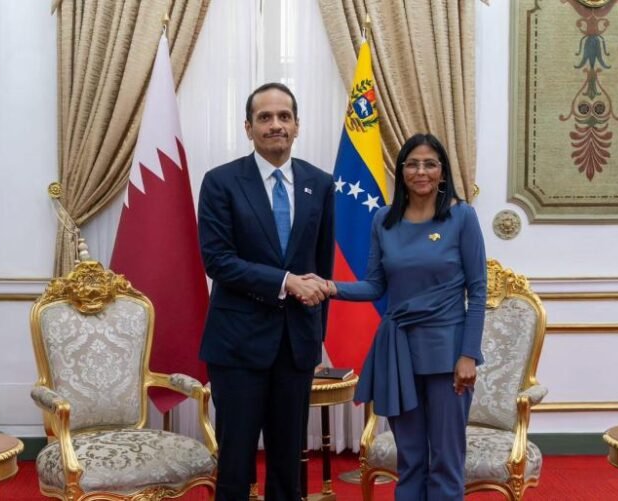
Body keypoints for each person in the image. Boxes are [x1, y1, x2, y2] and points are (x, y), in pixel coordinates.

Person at [325, 133, 487, 500]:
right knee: (410, 459)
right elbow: (374, 285)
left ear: (442, 172)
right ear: (400, 171)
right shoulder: (384, 219)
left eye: (430, 164)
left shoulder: (462, 217)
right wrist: (330, 287)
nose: (421, 171)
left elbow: (478, 292)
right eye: (412, 164)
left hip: (448, 355)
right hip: (398, 353)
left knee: (446, 460)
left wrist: (468, 355)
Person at [196, 82, 335, 501]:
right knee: (236, 465)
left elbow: (322, 267)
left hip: (296, 345)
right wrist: (285, 282)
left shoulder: (319, 183)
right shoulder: (221, 182)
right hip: (237, 346)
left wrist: (316, 338)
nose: (276, 125)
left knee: (289, 466)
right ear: (248, 127)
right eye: (265, 117)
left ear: (297, 126)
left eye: (284, 117)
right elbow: (218, 261)